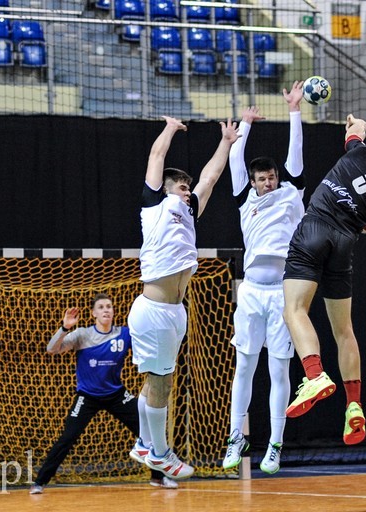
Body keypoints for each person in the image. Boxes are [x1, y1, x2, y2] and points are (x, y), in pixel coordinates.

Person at [282, 114, 366, 445]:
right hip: (344, 243)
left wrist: (356, 122)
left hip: (316, 228)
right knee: (344, 331)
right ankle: (354, 405)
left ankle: (314, 375)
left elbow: (356, 130)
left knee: (295, 309)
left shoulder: (360, 152)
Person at [127, 116, 239, 480]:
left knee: (155, 380)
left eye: (187, 187)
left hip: (174, 311)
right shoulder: (154, 205)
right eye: (180, 186)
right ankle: (160, 453)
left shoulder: (188, 213)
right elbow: (156, 155)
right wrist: (170, 129)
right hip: (155, 309)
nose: (187, 190)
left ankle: (145, 443)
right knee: (162, 384)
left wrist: (226, 141)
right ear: (165, 189)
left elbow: (210, 178)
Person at [222, 83, 305, 475]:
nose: (268, 182)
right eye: (262, 179)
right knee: (244, 367)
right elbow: (236, 156)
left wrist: (294, 111)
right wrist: (244, 125)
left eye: (271, 177)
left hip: (283, 294)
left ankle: (275, 444)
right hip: (252, 292)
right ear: (253, 182)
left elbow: (295, 155)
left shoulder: (291, 192)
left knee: (279, 371)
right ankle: (235, 437)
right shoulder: (245, 198)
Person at [30, 294, 177, 494]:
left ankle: (158, 477)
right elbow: (51, 349)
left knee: (148, 430)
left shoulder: (125, 334)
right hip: (87, 396)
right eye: (101, 307)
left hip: (116, 394)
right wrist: (65, 328)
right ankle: (40, 482)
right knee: (68, 437)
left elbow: (148, 346)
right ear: (93, 313)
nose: (106, 310)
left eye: (109, 306)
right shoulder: (82, 335)